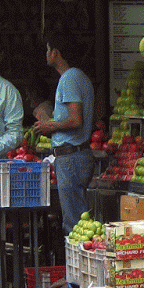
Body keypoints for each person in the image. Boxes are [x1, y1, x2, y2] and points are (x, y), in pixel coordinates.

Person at [33, 35, 94, 235]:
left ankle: (77, 264)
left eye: (47, 50)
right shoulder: (80, 77)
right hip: (76, 156)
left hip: (71, 158)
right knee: (79, 219)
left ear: (55, 52)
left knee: (74, 224)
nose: (46, 54)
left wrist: (49, 126)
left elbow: (76, 120)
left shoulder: (69, 78)